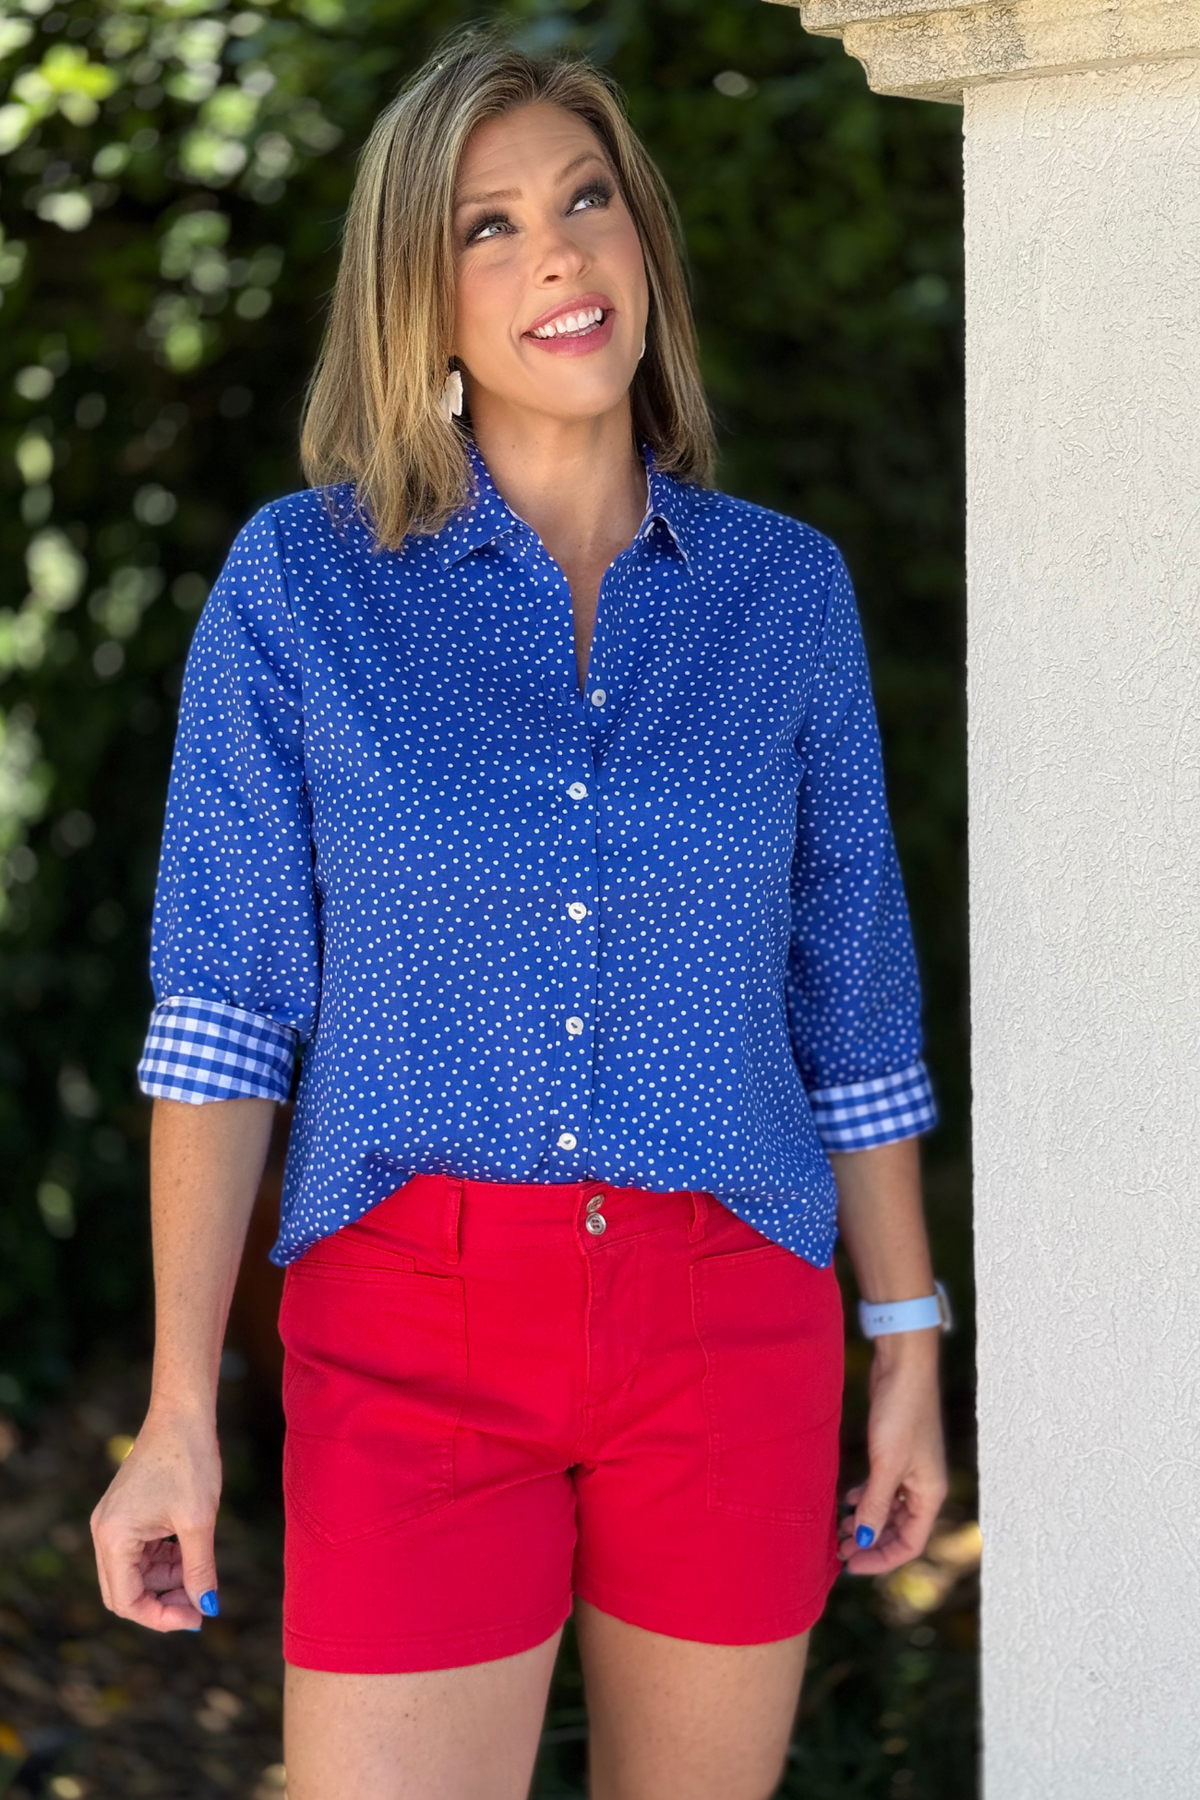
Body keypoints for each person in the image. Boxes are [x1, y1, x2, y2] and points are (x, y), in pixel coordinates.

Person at [91, 31, 948, 1800]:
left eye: (586, 200)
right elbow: (225, 1014)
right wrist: (177, 1409)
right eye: (488, 226)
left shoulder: (783, 593)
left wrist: (907, 1345)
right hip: (406, 1327)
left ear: (643, 248)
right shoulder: (302, 585)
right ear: (422, 298)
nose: (557, 252)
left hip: (729, 1315)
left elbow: (850, 1002)